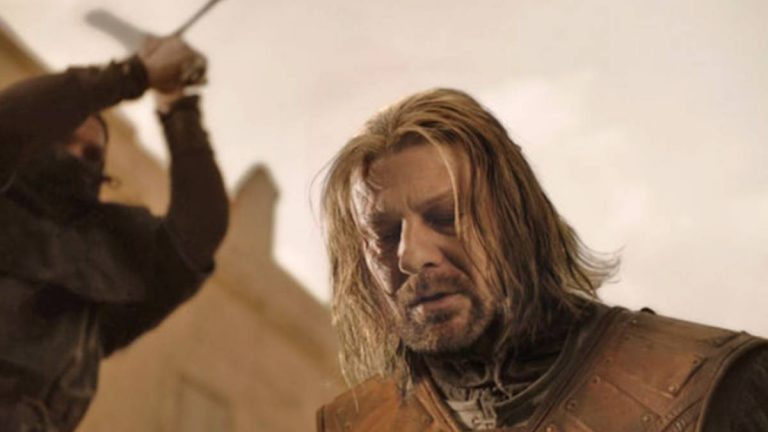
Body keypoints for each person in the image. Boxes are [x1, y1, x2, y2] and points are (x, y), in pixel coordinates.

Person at [316, 88, 768, 431]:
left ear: (518, 221)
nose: (413, 255)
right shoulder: (353, 424)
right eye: (384, 235)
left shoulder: (711, 385)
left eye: (447, 216)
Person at [0, 36, 228, 431]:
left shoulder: (108, 262)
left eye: (93, 154)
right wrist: (131, 75)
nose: (78, 156)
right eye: (66, 139)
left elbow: (198, 231)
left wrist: (177, 105)